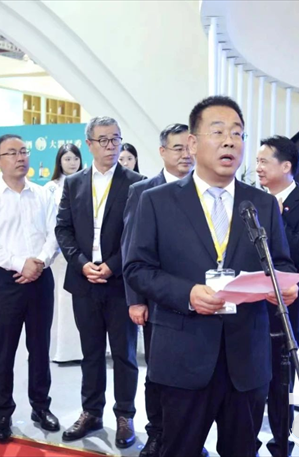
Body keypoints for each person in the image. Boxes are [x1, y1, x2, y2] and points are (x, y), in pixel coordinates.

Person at [124, 96, 299, 457]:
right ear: (192, 143)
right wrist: (187, 293)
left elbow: (282, 263)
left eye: (237, 134)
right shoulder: (156, 201)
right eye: (218, 132)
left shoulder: (261, 203)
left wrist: (282, 286)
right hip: (183, 355)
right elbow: (137, 269)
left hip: (246, 358)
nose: (229, 142)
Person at [55, 117, 143, 448]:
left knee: (124, 354)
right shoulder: (74, 182)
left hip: (120, 283)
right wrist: (81, 264)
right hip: (84, 281)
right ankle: (91, 412)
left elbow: (138, 236)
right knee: (90, 352)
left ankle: (125, 415)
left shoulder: (137, 183)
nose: (111, 146)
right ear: (89, 144)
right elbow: (63, 228)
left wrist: (112, 266)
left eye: (115, 139)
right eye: (103, 140)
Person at [0, 134, 60, 443]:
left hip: (40, 279)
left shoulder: (43, 194)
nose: (21, 157)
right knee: (4, 350)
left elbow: (55, 234)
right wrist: (20, 264)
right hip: (5, 281)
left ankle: (41, 407)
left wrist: (39, 262)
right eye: (12, 153)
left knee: (40, 348)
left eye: (24, 151)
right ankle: (3, 412)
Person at [123, 123, 200, 457]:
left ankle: (190, 438)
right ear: (162, 152)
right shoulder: (143, 191)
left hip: (199, 301)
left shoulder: (204, 188)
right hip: (157, 302)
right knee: (158, 373)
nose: (185, 154)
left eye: (189, 147)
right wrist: (135, 301)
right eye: (177, 148)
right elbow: (131, 248)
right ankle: (157, 434)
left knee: (196, 374)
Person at [255, 135, 299, 457]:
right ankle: (247, 443)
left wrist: (275, 216)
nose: (257, 167)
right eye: (257, 161)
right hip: (248, 303)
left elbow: (298, 253)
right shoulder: (250, 200)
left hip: (283, 305)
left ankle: (280, 445)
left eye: (264, 161)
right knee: (247, 378)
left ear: (286, 166)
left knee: (281, 380)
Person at [45, 143, 84, 363]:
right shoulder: (50, 188)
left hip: (82, 253)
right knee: (60, 301)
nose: (72, 163)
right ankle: (61, 350)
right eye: (67, 159)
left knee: (79, 303)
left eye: (75, 158)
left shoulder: (85, 182)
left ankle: (80, 349)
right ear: (59, 161)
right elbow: (49, 221)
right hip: (58, 253)